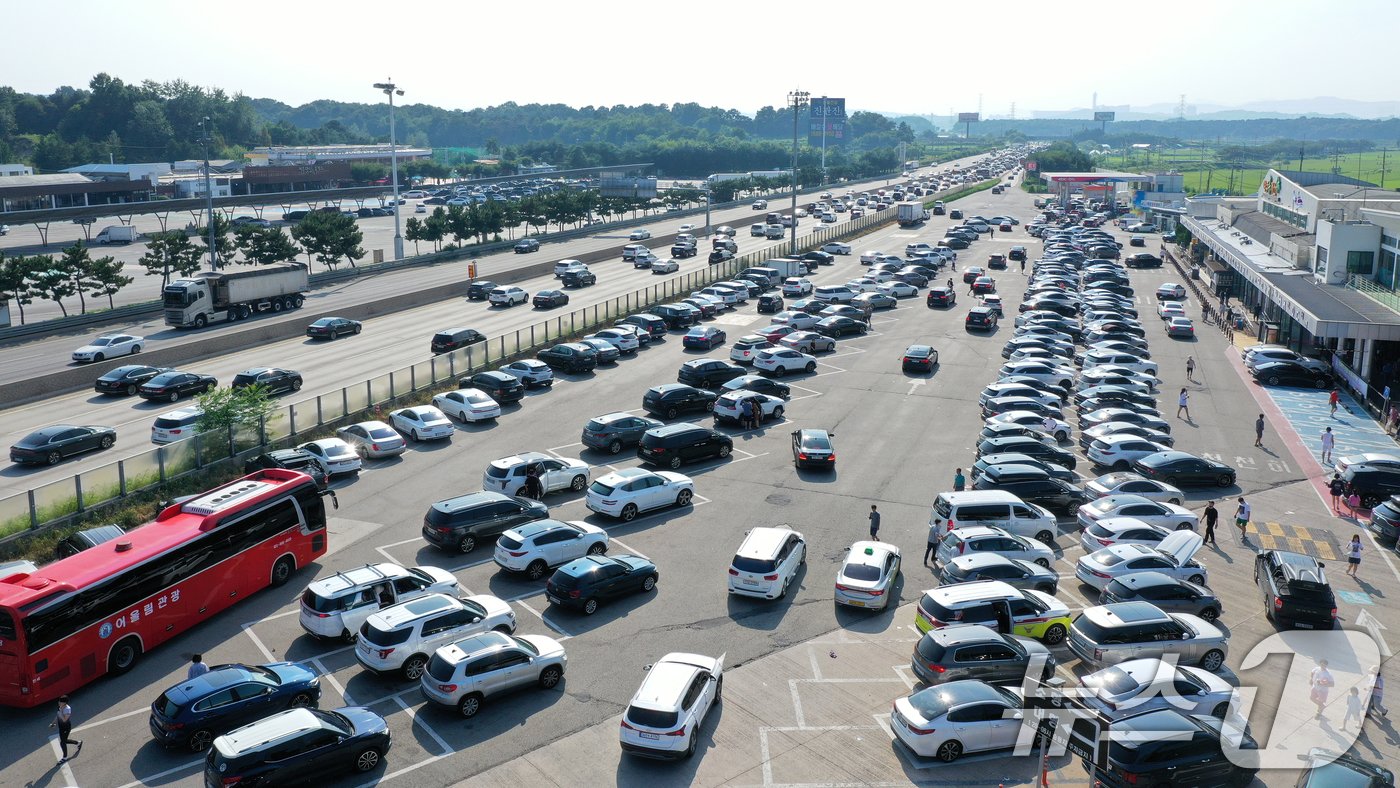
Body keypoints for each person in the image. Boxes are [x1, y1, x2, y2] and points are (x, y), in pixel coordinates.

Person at [49, 695, 81, 763]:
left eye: (60, 701)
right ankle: (78, 743)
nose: (59, 702)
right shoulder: (60, 707)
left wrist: (61, 714)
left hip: (66, 727)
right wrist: (53, 723)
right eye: (59, 701)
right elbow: (57, 715)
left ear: (65, 703)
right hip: (61, 727)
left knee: (62, 742)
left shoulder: (67, 709)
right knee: (64, 740)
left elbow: (64, 720)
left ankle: (65, 757)